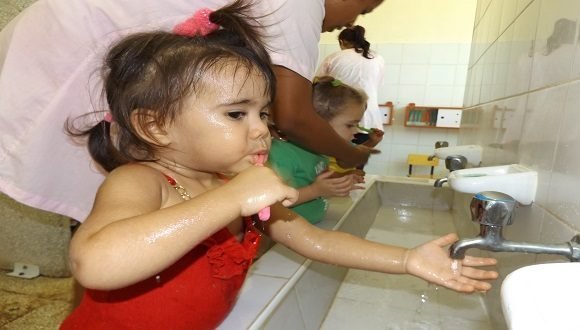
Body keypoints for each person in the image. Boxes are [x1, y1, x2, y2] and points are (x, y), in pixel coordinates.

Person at [60, 4, 498, 329]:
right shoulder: (140, 181)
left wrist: (406, 259)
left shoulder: (237, 185)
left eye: (263, 114)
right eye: (237, 114)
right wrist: (232, 198)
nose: (261, 131)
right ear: (155, 125)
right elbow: (96, 264)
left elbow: (314, 242)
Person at [0, 0, 381, 223]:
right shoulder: (300, 3)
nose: (355, 21)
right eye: (364, 7)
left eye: (262, 115)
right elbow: (294, 115)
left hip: (74, 46)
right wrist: (355, 154)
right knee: (111, 219)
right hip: (66, 58)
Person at [269, 76, 374, 224]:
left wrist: (339, 181)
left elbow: (310, 177)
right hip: (286, 233)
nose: (356, 131)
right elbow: (272, 204)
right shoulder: (282, 154)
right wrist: (316, 191)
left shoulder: (319, 148)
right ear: (317, 123)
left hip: (312, 225)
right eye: (350, 125)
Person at [317, 25, 386, 144]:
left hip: (338, 120)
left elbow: (317, 86)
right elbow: (377, 86)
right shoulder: (378, 59)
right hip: (369, 120)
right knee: (357, 157)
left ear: (342, 42)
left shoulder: (334, 58)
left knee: (334, 158)